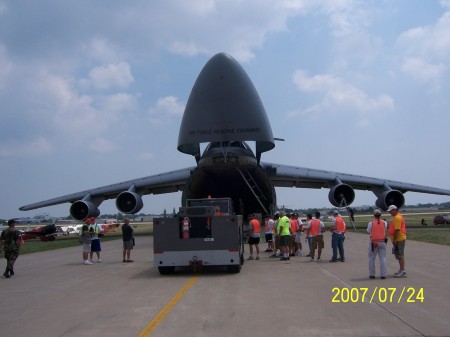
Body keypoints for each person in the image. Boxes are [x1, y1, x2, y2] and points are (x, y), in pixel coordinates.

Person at [367, 209, 387, 279]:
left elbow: (368, 231)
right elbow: (385, 229)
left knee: (372, 258)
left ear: (374, 215)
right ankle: (383, 274)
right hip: (382, 242)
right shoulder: (384, 222)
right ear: (380, 215)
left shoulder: (371, 223)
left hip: (374, 242)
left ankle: (372, 274)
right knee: (382, 258)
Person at [387, 205, 407, 278]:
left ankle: (402, 271)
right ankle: (401, 270)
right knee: (398, 255)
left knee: (400, 255)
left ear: (395, 210)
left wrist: (395, 240)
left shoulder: (397, 218)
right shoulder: (397, 217)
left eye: (391, 211)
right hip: (398, 239)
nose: (390, 213)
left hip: (399, 239)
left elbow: (397, 230)